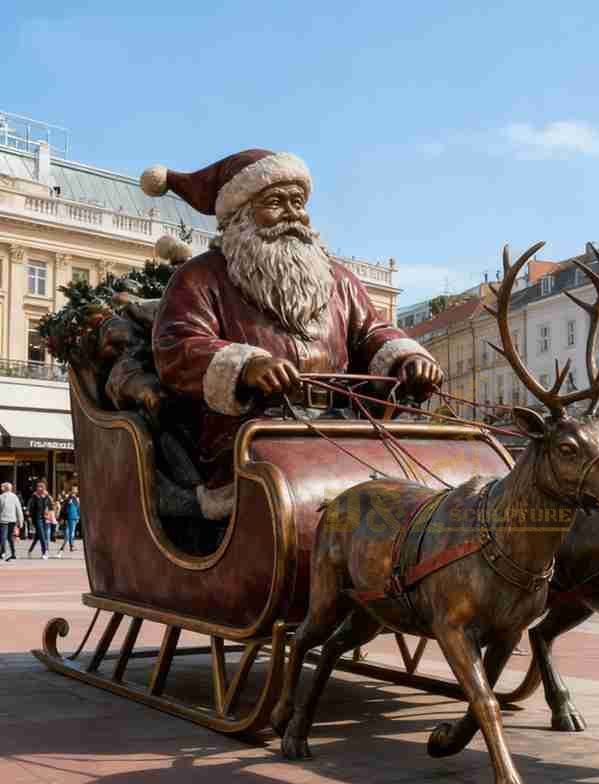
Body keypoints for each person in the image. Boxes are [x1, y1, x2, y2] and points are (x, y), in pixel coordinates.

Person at [142, 150, 443, 519]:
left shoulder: (338, 280)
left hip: (347, 425)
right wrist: (246, 366)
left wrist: (406, 359)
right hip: (248, 437)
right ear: (239, 214)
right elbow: (177, 344)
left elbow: (373, 331)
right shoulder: (201, 277)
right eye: (274, 202)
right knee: (288, 501)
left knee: (413, 486)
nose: (292, 214)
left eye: (298, 202)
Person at [26, 481, 53, 559]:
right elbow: (29, 505)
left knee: (39, 536)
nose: (40, 488)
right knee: (42, 535)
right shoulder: (34, 496)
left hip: (45, 518)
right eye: (38, 487)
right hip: (37, 518)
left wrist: (46, 497)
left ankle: (30, 551)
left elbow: (51, 507)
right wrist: (28, 511)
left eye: (41, 487)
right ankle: (45, 552)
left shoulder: (47, 497)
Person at [0, 482, 24, 562]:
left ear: (5, 488)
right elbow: (19, 510)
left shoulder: (1, 497)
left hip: (3, 520)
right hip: (12, 520)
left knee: (3, 537)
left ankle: (3, 552)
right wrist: (21, 521)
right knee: (10, 537)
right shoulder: (15, 497)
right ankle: (13, 553)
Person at [57, 487, 80, 553]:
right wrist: (63, 517)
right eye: (74, 489)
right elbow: (65, 508)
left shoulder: (75, 499)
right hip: (70, 517)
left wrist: (78, 516)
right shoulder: (69, 498)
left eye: (76, 489)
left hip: (73, 517)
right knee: (71, 532)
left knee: (69, 533)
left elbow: (77, 508)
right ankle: (71, 546)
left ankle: (63, 547)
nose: (75, 490)